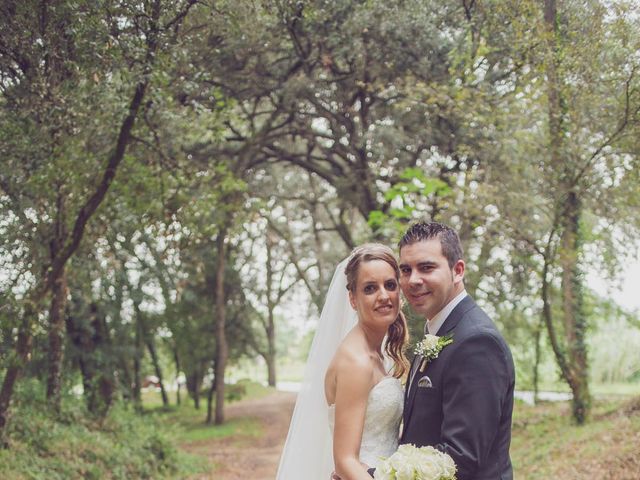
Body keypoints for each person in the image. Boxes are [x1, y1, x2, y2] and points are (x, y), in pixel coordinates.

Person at [276, 244, 409, 480]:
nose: (383, 296)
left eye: (390, 285)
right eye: (370, 288)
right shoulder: (356, 361)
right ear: (353, 299)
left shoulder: (375, 353)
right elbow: (345, 461)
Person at [399, 221, 515, 480]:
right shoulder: (437, 332)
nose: (413, 280)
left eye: (426, 267)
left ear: (458, 270)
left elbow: (460, 459)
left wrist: (375, 475)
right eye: (405, 270)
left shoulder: (478, 342)